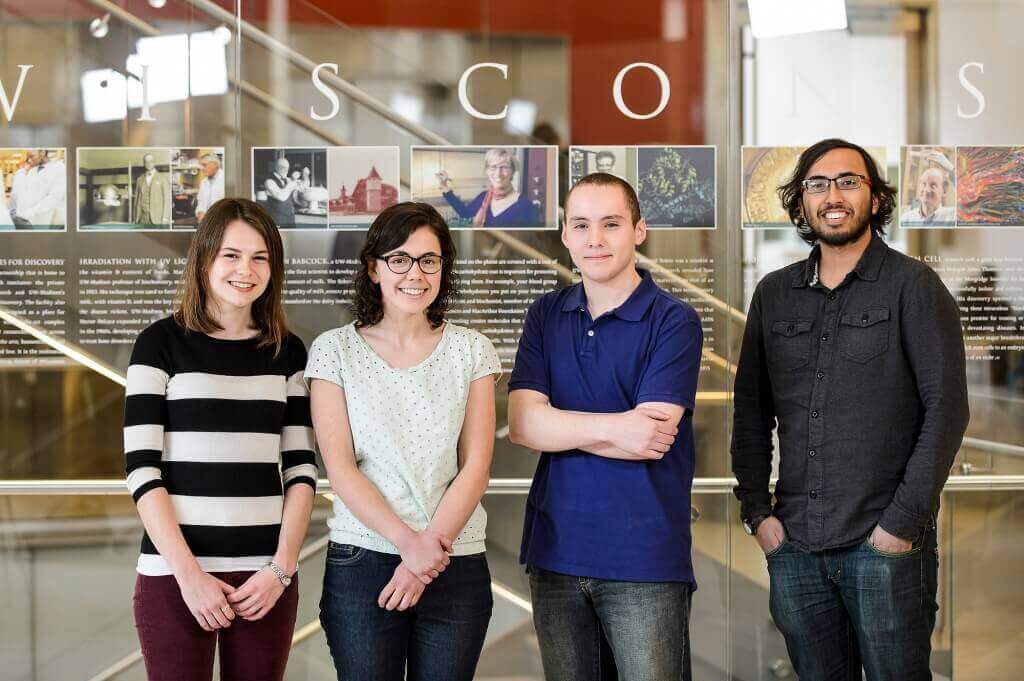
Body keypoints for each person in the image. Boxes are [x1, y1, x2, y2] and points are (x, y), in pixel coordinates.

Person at [731, 138, 970, 680]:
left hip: (884, 547)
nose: (832, 195)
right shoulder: (774, 294)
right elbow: (750, 412)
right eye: (817, 184)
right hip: (794, 547)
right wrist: (757, 513)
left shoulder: (914, 287)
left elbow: (947, 410)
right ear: (801, 204)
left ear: (876, 200)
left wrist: (900, 526)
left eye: (848, 181)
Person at [508, 172, 704, 680]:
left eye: (611, 224)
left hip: (645, 560)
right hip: (555, 553)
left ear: (639, 230)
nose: (595, 239)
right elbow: (524, 425)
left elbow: (651, 438)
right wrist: (618, 427)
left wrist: (561, 424)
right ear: (565, 235)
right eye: (582, 225)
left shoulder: (674, 321)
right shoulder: (545, 314)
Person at [124, 198, 318, 681]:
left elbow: (300, 469)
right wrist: (189, 576)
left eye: (260, 257)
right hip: (175, 575)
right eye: (231, 255)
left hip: (264, 579)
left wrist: (281, 570)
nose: (245, 270)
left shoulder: (287, 350)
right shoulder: (158, 343)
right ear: (204, 257)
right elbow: (142, 470)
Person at [306, 201, 501, 680]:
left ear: (443, 269)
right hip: (363, 557)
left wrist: (426, 553)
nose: (415, 273)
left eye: (428, 260)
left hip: (454, 558)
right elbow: (341, 468)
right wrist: (407, 546)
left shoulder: (472, 349)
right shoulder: (334, 350)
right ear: (373, 268)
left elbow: (475, 465)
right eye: (399, 259)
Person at [437, 147, 541, 228]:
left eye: (504, 167)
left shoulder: (527, 207)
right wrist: (445, 186)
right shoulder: (484, 197)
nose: (498, 173)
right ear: (487, 171)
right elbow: (466, 214)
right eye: (493, 167)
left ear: (513, 171)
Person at [11, 149, 66, 229]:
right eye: (28, 157)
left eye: (32, 156)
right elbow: (23, 194)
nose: (29, 160)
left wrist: (28, 213)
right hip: (26, 221)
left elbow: (54, 198)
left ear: (43, 152)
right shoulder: (32, 170)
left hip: (44, 220)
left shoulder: (59, 168)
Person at [902, 158, 956, 226]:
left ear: (944, 191)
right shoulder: (906, 219)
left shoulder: (952, 217)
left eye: (933, 185)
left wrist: (951, 171)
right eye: (923, 184)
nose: (926, 189)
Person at [134, 152, 171, 225]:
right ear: (144, 163)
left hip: (157, 218)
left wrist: (166, 217)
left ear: (154, 163)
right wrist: (136, 217)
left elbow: (167, 199)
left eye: (151, 161)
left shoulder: (162, 178)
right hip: (142, 218)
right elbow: (137, 200)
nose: (148, 163)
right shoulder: (139, 179)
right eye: (146, 161)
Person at [263, 157, 297, 228]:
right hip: (277, 220)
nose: (286, 170)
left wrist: (305, 176)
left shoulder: (288, 180)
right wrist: (291, 184)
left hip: (290, 219)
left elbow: (302, 188)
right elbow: (282, 197)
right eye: (283, 167)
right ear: (276, 167)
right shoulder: (269, 181)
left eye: (287, 168)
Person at [195, 153, 225, 222]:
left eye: (204, 165)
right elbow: (200, 202)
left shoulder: (225, 180)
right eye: (201, 165)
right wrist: (200, 212)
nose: (202, 168)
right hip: (205, 222)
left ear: (215, 165)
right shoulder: (203, 182)